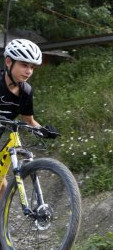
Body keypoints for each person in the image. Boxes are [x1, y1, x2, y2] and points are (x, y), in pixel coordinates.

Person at [0, 39, 58, 201]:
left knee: (1, 185)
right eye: (24, 65)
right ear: (8, 62)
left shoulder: (26, 91)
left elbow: (29, 121)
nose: (29, 71)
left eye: (32, 67)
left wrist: (44, 131)